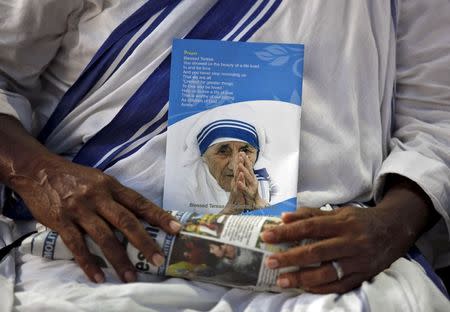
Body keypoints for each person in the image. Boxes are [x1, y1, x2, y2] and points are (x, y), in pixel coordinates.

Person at [0, 0, 449, 307]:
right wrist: (41, 173)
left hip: (324, 262)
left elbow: (437, 118)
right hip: (98, 245)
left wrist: (390, 227)